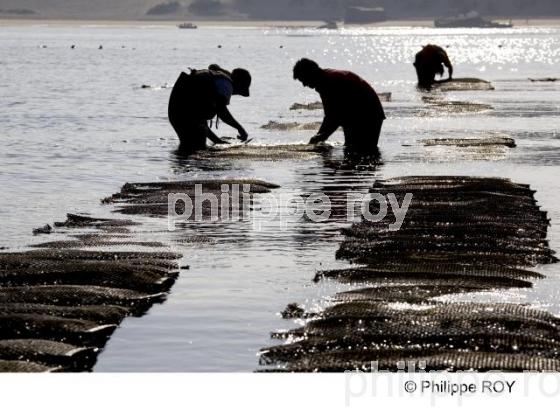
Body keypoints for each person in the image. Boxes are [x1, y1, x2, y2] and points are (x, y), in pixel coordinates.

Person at [292, 58, 385, 151]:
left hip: (367, 114)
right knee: (357, 150)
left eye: (303, 80)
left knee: (359, 150)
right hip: (361, 112)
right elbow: (332, 114)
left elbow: (335, 115)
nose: (304, 85)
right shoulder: (326, 77)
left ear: (310, 73)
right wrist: (321, 135)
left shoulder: (329, 82)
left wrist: (320, 136)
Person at [168, 64, 251, 153]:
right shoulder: (226, 84)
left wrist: (217, 141)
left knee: (191, 146)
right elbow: (222, 111)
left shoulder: (216, 79)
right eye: (238, 92)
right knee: (196, 149)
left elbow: (199, 120)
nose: (233, 94)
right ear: (239, 83)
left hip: (177, 110)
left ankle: (183, 164)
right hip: (183, 112)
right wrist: (240, 129)